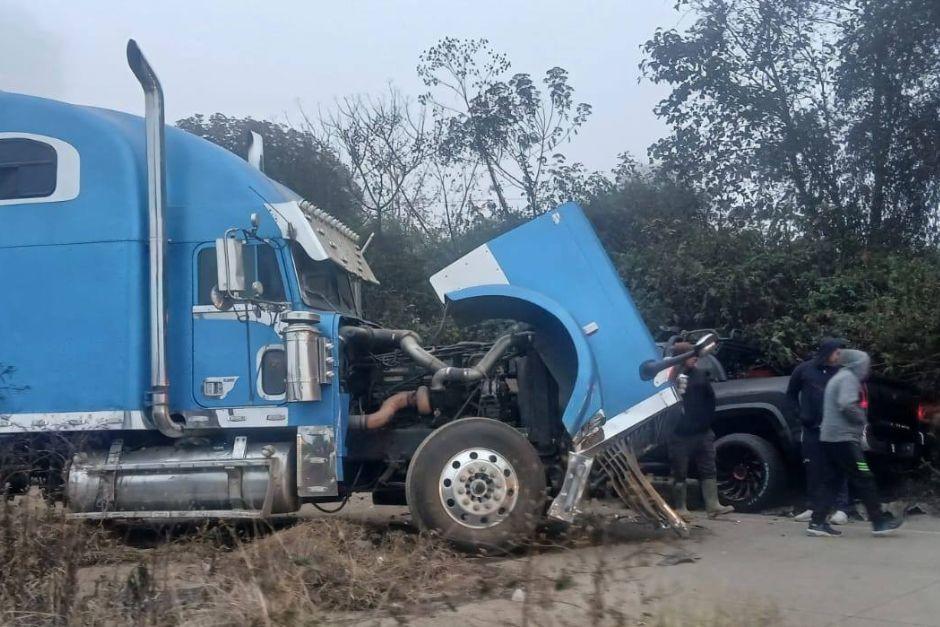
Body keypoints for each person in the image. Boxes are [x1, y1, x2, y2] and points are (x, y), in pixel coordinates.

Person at [807, 349, 903, 537]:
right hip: (844, 439)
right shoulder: (848, 379)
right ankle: (879, 522)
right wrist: (862, 419)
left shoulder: (839, 377)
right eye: (865, 365)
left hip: (830, 438)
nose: (866, 369)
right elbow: (846, 404)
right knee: (864, 477)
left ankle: (816, 522)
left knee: (832, 482)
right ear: (856, 365)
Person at [787, 338, 851, 525]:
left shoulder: (843, 372)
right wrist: (800, 415)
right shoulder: (804, 370)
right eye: (837, 352)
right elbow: (791, 394)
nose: (839, 356)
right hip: (811, 428)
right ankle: (813, 506)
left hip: (836, 429)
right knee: (813, 467)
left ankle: (841, 508)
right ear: (827, 352)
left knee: (839, 468)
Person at [669, 341, 735, 520]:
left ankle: (713, 506)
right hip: (680, 434)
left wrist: (706, 422)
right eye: (690, 355)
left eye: (695, 355)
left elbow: (710, 400)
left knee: (708, 467)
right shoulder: (671, 377)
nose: (695, 358)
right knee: (679, 471)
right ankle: (681, 507)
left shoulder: (700, 375)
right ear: (680, 358)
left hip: (703, 432)